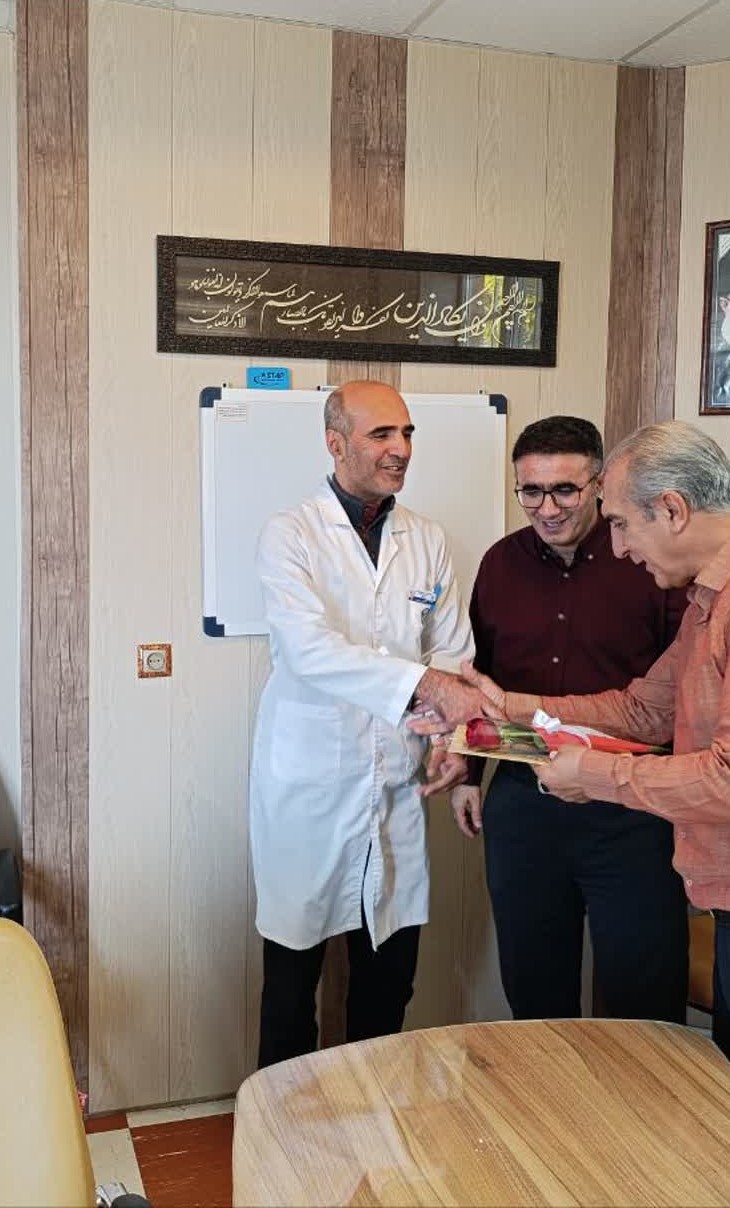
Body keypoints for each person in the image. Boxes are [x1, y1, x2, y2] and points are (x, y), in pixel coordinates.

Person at [433, 420, 730, 1208]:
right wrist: (506, 706)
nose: (619, 547)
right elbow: (641, 709)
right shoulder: (716, 597)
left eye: (622, 523)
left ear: (672, 509)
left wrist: (594, 776)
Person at [424, 415, 689, 1023]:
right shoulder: (500, 564)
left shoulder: (648, 560)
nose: (547, 509)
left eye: (564, 490)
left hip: (630, 805)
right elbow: (478, 680)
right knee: (534, 989)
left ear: (598, 484)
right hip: (525, 801)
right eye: (531, 491)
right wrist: (468, 774)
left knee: (644, 992)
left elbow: (681, 693)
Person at [249, 380, 481, 1069]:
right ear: (336, 443)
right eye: (382, 434)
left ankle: (375, 1112)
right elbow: (308, 650)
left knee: (389, 975)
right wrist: (429, 688)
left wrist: (451, 739)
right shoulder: (290, 534)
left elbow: (451, 649)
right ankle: (284, 1120)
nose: (400, 449)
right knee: (292, 981)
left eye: (407, 434)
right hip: (311, 785)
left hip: (397, 782)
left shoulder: (426, 539)